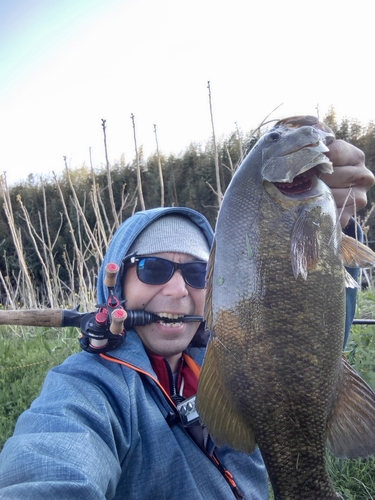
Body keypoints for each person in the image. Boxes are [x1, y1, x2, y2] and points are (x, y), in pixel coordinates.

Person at [0, 134, 373, 499]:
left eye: (197, 273)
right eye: (152, 268)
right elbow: (48, 462)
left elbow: (309, 342)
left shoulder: (235, 354)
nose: (178, 290)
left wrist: (333, 226)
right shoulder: (91, 388)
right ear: (115, 285)